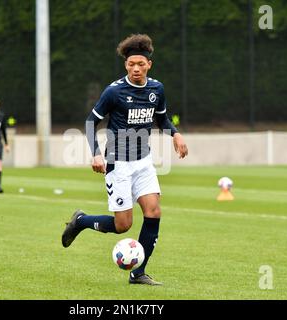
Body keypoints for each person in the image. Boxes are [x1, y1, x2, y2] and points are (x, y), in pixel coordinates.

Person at [61, 34, 188, 285]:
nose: (136, 68)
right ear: (126, 65)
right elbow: (91, 121)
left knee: (153, 212)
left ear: (149, 64)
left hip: (144, 162)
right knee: (123, 225)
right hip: (118, 163)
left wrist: (175, 134)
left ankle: (138, 273)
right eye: (132, 64)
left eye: (141, 64)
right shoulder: (114, 91)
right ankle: (81, 221)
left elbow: (161, 119)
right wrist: (96, 153)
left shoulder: (156, 89)